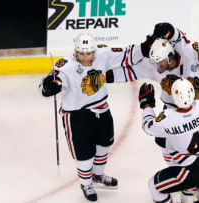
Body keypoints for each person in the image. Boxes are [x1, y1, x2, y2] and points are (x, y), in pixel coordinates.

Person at [38, 33, 143, 201]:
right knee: (84, 153)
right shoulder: (64, 66)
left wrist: (147, 45)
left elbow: (128, 53)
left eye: (88, 53)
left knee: (104, 145)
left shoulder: (103, 54)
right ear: (76, 51)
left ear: (94, 51)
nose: (85, 57)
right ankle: (86, 183)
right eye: (81, 53)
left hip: (102, 109)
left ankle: (98, 175)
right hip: (76, 116)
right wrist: (49, 87)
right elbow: (43, 89)